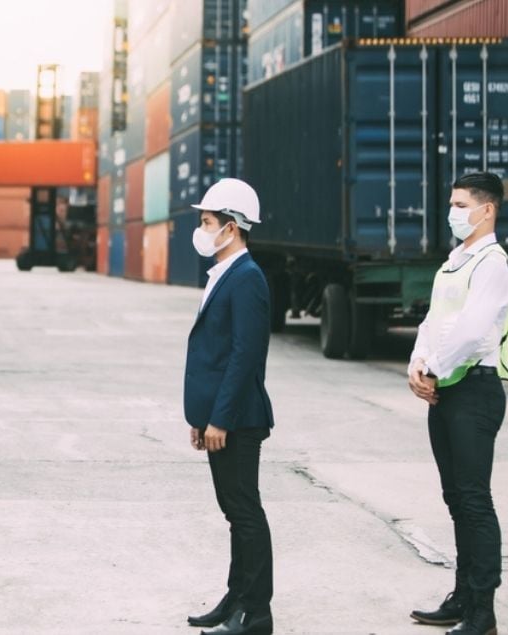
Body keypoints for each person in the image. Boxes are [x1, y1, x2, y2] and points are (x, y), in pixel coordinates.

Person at [407, 172, 508, 635]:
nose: (453, 212)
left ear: (486, 209)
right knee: (456, 499)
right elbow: (434, 320)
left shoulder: (492, 263)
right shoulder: (455, 262)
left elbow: (474, 333)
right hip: (446, 392)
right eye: (451, 204)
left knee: (474, 501)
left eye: (460, 204)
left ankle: (482, 613)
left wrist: (432, 367)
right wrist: (417, 363)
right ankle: (463, 596)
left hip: (474, 391)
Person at [183, 178, 276, 635]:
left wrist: (220, 418)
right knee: (234, 511)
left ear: (232, 227)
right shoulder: (225, 274)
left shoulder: (247, 279)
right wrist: (202, 419)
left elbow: (245, 356)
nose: (201, 230)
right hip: (221, 418)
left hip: (239, 419)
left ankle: (256, 614)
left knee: (245, 512)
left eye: (207, 222)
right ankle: (236, 598)